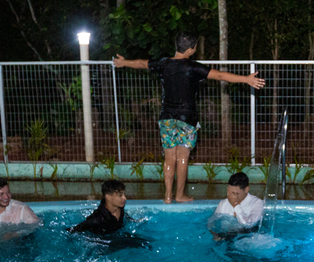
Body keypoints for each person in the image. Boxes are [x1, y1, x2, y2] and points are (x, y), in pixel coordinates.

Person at [114, 32, 266, 204]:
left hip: (167, 118)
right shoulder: (193, 67)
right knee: (183, 158)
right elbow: (221, 76)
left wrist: (123, 62)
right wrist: (246, 79)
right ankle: (179, 195)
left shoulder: (164, 64)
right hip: (187, 119)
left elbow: (141, 63)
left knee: (169, 158)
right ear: (191, 49)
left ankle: (168, 196)